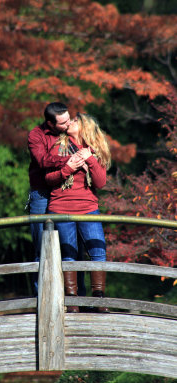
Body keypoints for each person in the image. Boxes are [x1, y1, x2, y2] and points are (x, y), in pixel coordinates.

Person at [45, 113, 111, 313]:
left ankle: (99, 300)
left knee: (98, 251)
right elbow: (48, 179)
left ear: (85, 127)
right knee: (69, 254)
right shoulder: (58, 147)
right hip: (61, 206)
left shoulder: (94, 151)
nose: (70, 122)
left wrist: (89, 159)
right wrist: (68, 168)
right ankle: (72, 301)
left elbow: (100, 182)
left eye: (75, 120)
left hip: (88, 208)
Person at [27, 102, 86, 295]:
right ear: (50, 124)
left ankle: (79, 298)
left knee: (74, 248)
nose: (68, 123)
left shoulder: (71, 131)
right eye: (63, 123)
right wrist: (70, 161)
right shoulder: (36, 135)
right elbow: (43, 161)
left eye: (69, 119)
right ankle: (41, 298)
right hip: (43, 193)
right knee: (42, 247)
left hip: (68, 192)